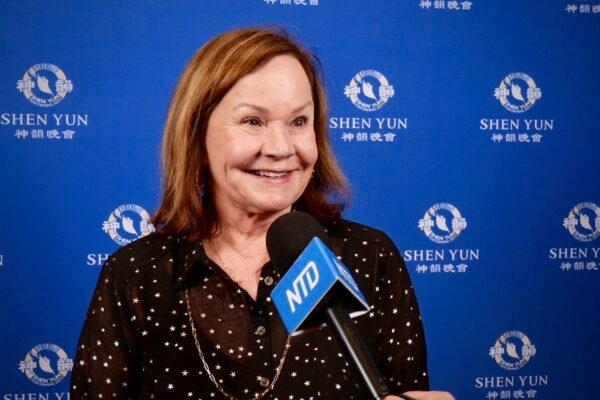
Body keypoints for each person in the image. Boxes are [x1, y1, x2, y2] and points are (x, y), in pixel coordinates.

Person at [70, 27, 455, 400]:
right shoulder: (134, 274)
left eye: (299, 122)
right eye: (253, 121)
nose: (281, 147)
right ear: (197, 135)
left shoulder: (370, 258)